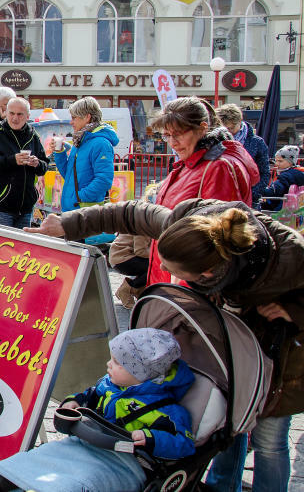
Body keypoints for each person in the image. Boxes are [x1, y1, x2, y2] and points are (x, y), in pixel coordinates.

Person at [30, 198, 304, 492]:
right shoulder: (188, 223)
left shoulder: (290, 258)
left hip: (280, 359)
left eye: (178, 273)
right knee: (225, 431)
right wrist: (68, 223)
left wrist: (296, 311)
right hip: (227, 350)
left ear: (206, 275)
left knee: (269, 441)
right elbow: (129, 213)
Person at [0, 328, 195, 492]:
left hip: (125, 464)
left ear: (141, 374)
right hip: (88, 443)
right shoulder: (111, 386)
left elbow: (184, 444)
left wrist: (150, 438)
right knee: (45, 455)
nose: (108, 365)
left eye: (116, 363)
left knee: (82, 480)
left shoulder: (166, 410)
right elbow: (88, 395)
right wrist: (73, 402)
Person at [133, 96, 259, 286]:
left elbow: (216, 243)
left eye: (179, 134)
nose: (172, 142)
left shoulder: (217, 168)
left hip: (187, 283)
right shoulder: (192, 162)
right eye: (167, 135)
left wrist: (186, 286)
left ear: (202, 128)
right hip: (173, 275)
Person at [0, 97, 48, 228]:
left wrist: (37, 163)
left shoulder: (33, 136)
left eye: (20, 114)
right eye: (11, 113)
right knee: (1, 246)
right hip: (1, 205)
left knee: (21, 248)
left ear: (27, 116)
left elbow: (44, 166)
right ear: (6, 113)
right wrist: (12, 160)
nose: (15, 118)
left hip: (26, 206)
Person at [49, 96, 118, 213]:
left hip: (85, 209)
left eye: (74, 118)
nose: (71, 122)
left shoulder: (100, 143)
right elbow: (68, 175)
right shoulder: (80, 140)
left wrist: (80, 197)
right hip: (73, 208)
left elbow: (104, 180)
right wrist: (60, 152)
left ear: (87, 117)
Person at [217, 104, 270, 209]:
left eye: (231, 127)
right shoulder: (216, 139)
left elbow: (264, 172)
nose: (228, 131)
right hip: (222, 199)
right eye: (224, 128)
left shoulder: (257, 142)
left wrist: (252, 194)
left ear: (240, 122)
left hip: (249, 201)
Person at [258, 145, 304, 211]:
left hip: (278, 208)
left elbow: (274, 191)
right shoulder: (299, 173)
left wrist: (258, 190)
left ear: (291, 162)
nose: (277, 164)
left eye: (280, 161)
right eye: (276, 161)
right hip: (294, 208)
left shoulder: (285, 176)